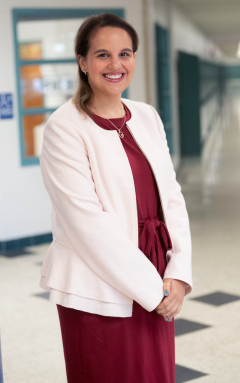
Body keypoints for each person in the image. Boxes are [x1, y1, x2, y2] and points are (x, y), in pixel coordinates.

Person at [39, 13, 192, 383]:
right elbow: (86, 223)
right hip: (99, 279)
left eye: (125, 53)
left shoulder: (146, 116)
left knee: (154, 373)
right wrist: (151, 291)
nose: (115, 64)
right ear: (83, 62)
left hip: (157, 270)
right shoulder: (64, 126)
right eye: (102, 55)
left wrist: (178, 273)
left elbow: (171, 195)